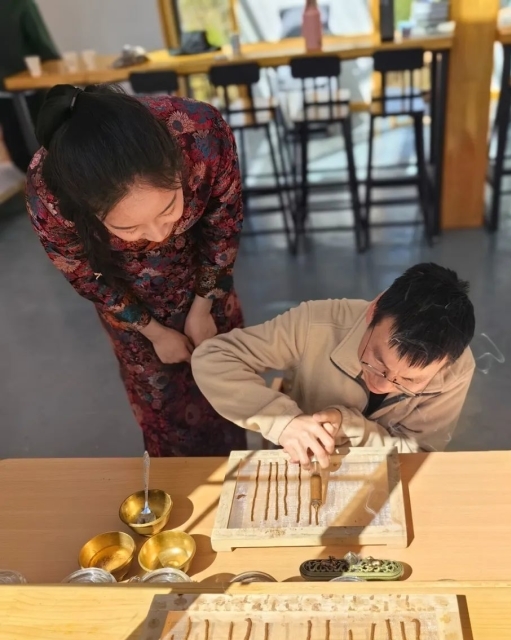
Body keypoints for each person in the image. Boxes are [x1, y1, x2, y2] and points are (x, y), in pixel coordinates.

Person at [26, 83, 245, 456]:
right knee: (167, 414)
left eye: (169, 209)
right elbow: (84, 274)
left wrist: (203, 305)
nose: (159, 235)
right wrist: (153, 331)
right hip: (128, 298)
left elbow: (223, 227)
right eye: (128, 228)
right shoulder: (49, 190)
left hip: (207, 277)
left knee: (229, 384)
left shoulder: (200, 133)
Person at [192, 263, 476, 467]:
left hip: (385, 472)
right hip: (306, 463)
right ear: (373, 311)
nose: (381, 384)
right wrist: (282, 420)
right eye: (377, 361)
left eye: (409, 381)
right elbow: (213, 357)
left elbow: (417, 455)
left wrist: (350, 426)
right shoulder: (314, 324)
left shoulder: (455, 371)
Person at [0, 0, 60, 172]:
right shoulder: (20, 5)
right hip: (27, 89)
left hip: (14, 91)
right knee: (43, 150)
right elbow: (43, 46)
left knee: (22, 152)